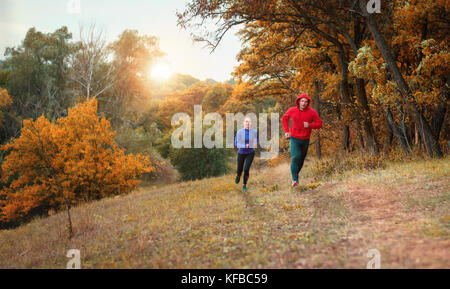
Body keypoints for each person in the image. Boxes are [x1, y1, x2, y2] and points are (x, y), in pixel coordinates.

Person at [282, 93, 322, 187]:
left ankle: (295, 175)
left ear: (308, 103)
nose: (304, 103)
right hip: (294, 138)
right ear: (299, 101)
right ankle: (294, 180)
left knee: (301, 160)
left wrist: (310, 125)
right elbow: (284, 119)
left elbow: (319, 123)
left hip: (305, 139)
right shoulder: (292, 110)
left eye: (306, 101)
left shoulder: (312, 112)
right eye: (302, 101)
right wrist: (286, 131)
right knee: (296, 156)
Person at [234, 117, 259, 191]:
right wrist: (245, 146)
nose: (248, 123)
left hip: (250, 153)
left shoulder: (254, 131)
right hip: (241, 153)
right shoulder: (240, 132)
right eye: (246, 121)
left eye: (249, 122)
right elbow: (236, 143)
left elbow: (257, 138)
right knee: (239, 169)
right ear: (243, 123)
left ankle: (244, 185)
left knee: (246, 169)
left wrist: (255, 143)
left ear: (251, 123)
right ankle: (238, 175)